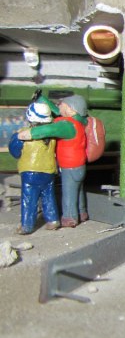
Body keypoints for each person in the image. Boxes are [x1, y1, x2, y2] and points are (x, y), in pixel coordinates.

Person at [18, 94, 88, 228]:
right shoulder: (79, 121)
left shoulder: (67, 126)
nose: (58, 107)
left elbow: (49, 129)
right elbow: (57, 113)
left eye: (62, 105)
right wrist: (43, 99)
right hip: (79, 165)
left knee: (69, 192)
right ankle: (82, 212)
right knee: (78, 191)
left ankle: (70, 217)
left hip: (70, 166)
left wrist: (30, 133)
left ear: (71, 109)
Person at [8, 103, 60, 234]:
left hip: (30, 171)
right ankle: (53, 220)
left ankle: (27, 226)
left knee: (29, 199)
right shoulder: (52, 135)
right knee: (48, 196)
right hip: (48, 170)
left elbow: (15, 152)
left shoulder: (23, 134)